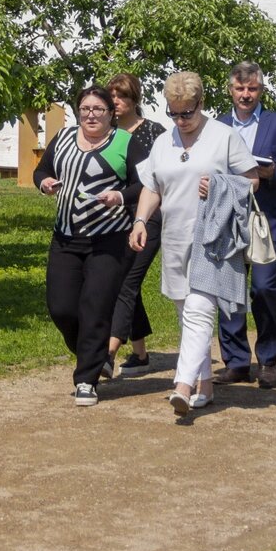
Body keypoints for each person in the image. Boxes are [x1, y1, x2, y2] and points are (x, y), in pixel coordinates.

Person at [130, 72, 258, 415]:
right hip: (174, 237)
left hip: (213, 238)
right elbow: (152, 187)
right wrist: (140, 221)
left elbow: (252, 180)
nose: (180, 120)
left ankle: (183, 386)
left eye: (186, 112)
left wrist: (220, 185)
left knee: (199, 311)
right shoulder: (163, 142)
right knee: (186, 313)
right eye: (173, 113)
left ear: (201, 103)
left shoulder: (223, 136)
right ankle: (206, 385)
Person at [34, 86, 148, 407]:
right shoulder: (63, 138)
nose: (91, 115)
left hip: (109, 240)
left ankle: (86, 379)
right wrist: (44, 183)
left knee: (95, 308)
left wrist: (120, 196)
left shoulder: (125, 143)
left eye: (98, 109)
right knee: (62, 308)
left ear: (111, 113)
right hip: (66, 238)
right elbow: (42, 170)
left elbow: (146, 183)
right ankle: (93, 353)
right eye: (85, 109)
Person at [213, 62, 276, 390]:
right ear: (230, 90)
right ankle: (236, 362)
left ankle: (268, 361)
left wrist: (272, 172)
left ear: (261, 90)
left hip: (267, 220)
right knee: (229, 292)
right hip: (227, 219)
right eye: (240, 88)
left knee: (264, 289)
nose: (245, 94)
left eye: (252, 89)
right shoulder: (217, 126)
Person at [104, 72, 167, 376]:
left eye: (122, 96)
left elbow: (163, 176)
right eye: (112, 96)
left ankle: (107, 353)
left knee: (126, 281)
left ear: (134, 99)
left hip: (150, 217)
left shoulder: (154, 132)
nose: (116, 101)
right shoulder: (107, 133)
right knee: (127, 281)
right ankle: (140, 355)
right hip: (115, 218)